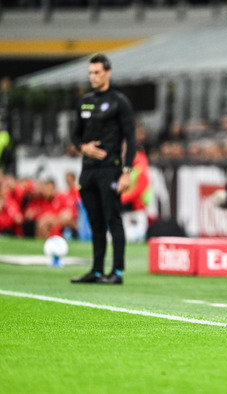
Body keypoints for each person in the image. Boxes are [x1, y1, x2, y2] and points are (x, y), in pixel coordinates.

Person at [70, 53, 136, 285]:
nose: (93, 77)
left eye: (97, 72)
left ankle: (116, 272)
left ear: (108, 73)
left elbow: (131, 138)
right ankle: (97, 270)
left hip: (110, 169)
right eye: (90, 73)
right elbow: (75, 134)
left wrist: (127, 171)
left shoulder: (119, 102)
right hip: (88, 170)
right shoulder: (84, 101)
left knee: (112, 219)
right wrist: (83, 148)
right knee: (95, 221)